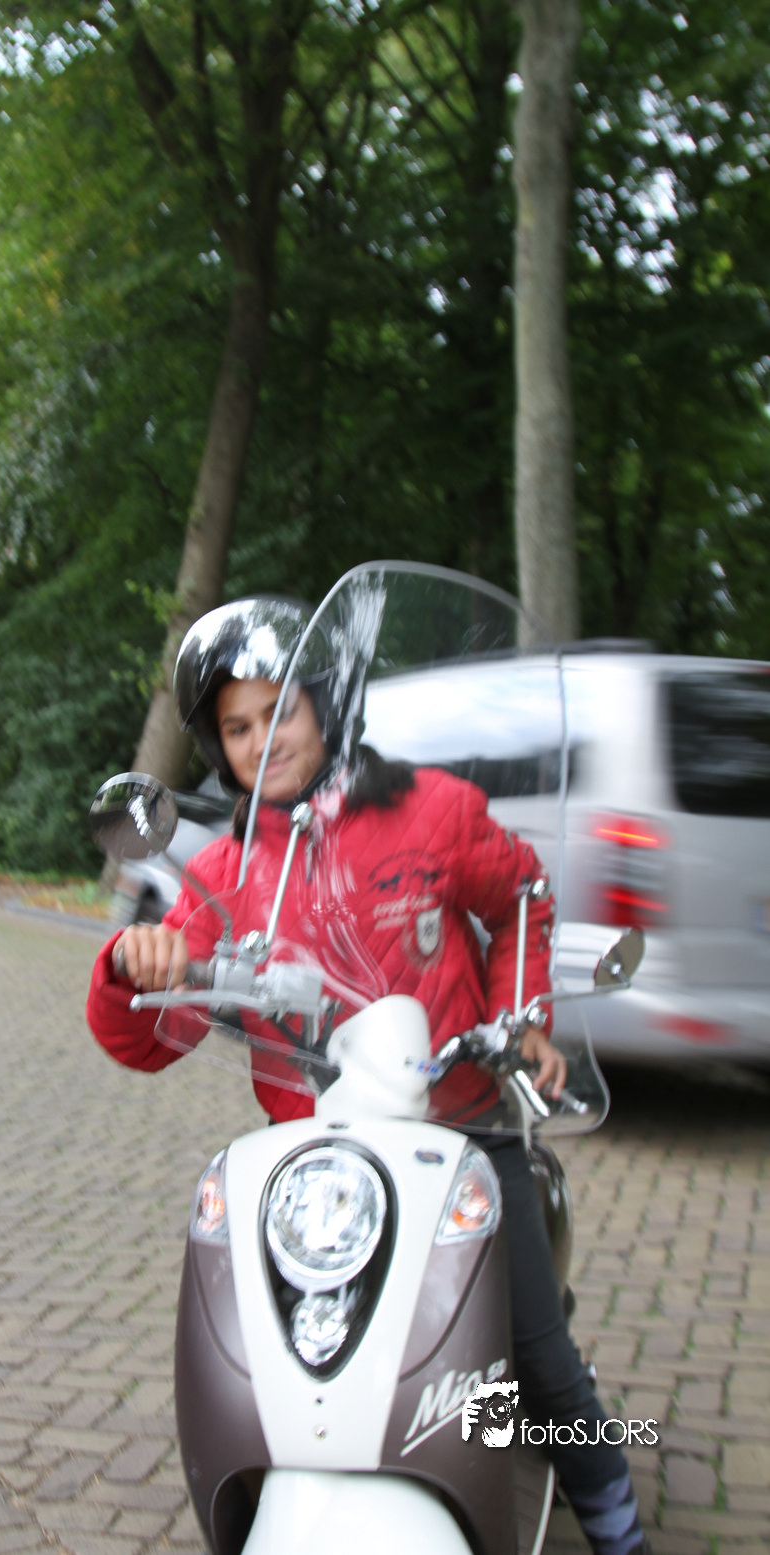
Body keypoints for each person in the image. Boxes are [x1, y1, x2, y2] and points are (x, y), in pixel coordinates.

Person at [86, 595, 648, 1555]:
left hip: (459, 1127)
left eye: (280, 711)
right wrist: (132, 964)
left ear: (326, 701)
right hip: (319, 1158)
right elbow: (149, 1038)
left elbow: (521, 894)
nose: (263, 739)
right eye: (237, 726)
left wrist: (522, 1021)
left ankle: (613, 1514)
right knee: (281, 1354)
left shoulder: (432, 809)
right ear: (218, 746)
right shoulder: (225, 874)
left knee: (536, 1358)